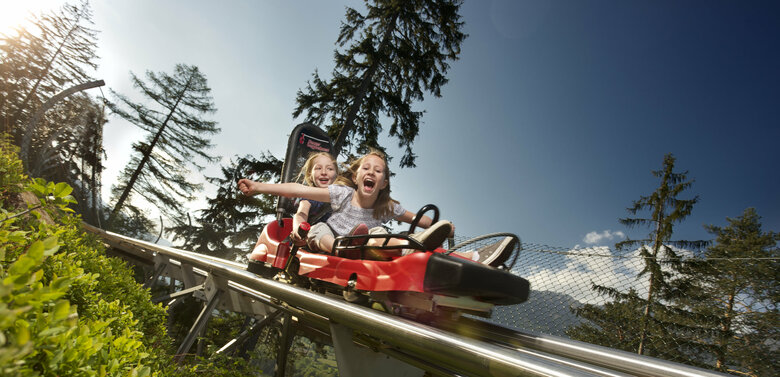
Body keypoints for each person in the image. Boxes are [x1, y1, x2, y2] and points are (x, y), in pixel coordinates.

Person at [238, 149, 453, 257]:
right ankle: (341, 250)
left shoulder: (386, 206)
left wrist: (442, 228)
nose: (371, 172)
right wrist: (258, 187)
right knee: (319, 228)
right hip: (332, 241)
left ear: (383, 183)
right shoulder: (341, 194)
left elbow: (418, 219)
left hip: (363, 243)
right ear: (356, 177)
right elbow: (300, 193)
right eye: (366, 168)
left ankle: (412, 247)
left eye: (378, 171)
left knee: (378, 232)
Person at [248, 152, 338, 258]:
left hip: (338, 239)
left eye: (330, 169)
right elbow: (301, 213)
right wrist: (298, 229)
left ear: (336, 174)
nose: (324, 172)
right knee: (320, 228)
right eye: (318, 168)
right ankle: (339, 250)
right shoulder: (310, 197)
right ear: (310, 174)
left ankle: (352, 249)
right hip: (311, 243)